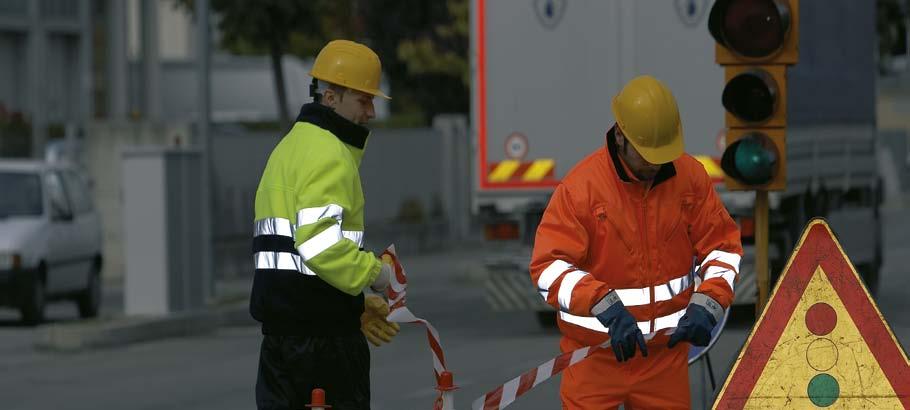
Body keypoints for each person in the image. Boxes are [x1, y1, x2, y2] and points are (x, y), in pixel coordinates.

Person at [529, 75, 743, 409]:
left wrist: (709, 302)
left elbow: (722, 249)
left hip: (664, 359)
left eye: (662, 154)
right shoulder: (581, 188)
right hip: (595, 358)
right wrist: (606, 306)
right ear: (620, 135)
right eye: (647, 155)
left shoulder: (690, 178)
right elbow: (548, 269)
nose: (656, 165)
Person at [250, 39, 400, 410]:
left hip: (280, 343)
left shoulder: (289, 148)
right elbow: (319, 245)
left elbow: (292, 258)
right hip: (323, 347)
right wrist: (376, 274)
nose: (371, 112)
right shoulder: (330, 153)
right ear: (330, 98)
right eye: (364, 100)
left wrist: (353, 305)